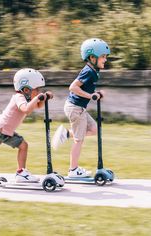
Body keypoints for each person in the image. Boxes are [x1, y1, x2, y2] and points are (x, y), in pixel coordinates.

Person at [52, 38, 110, 178]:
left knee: (94, 129)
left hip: (79, 108)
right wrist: (91, 96)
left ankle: (66, 134)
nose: (105, 60)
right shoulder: (88, 71)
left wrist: (95, 94)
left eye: (105, 57)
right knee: (79, 140)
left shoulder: (94, 70)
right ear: (92, 57)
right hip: (75, 108)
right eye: (103, 56)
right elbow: (73, 87)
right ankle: (73, 170)